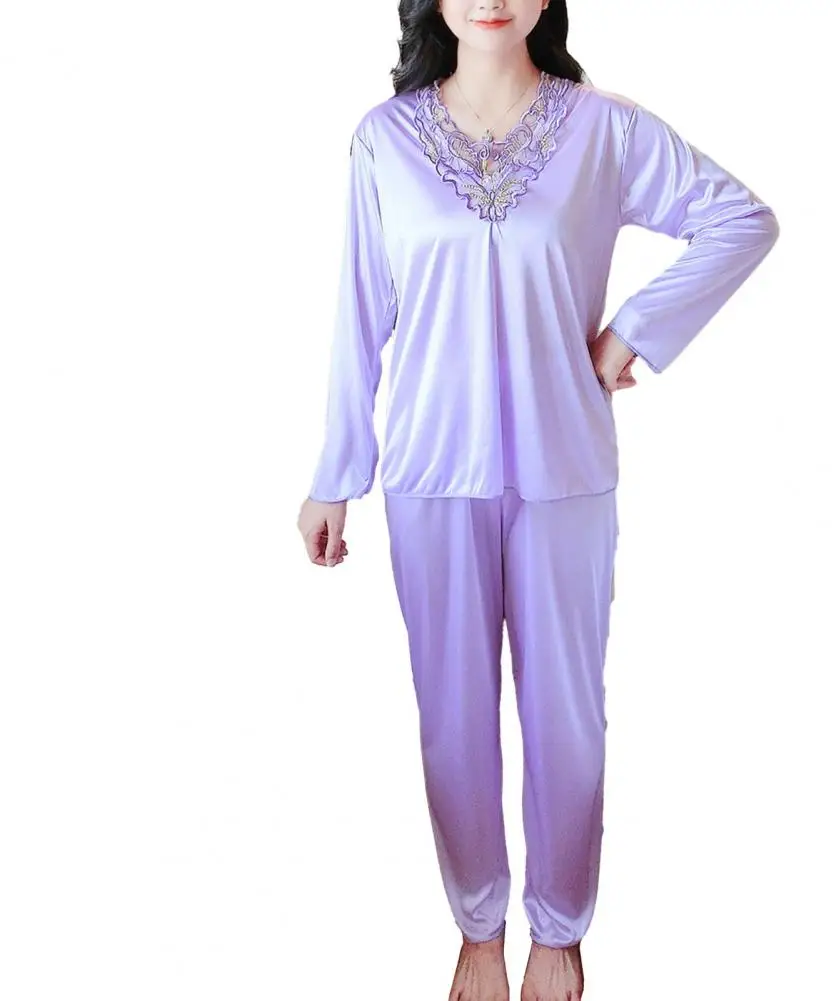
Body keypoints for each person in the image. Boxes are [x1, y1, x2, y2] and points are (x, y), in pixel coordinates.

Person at [296, 1, 779, 998]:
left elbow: (740, 219)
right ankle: (477, 926)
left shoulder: (604, 131)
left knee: (566, 714)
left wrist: (632, 330)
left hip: (564, 470)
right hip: (432, 472)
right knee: (451, 718)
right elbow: (359, 311)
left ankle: (558, 926)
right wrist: (337, 471)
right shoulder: (383, 142)